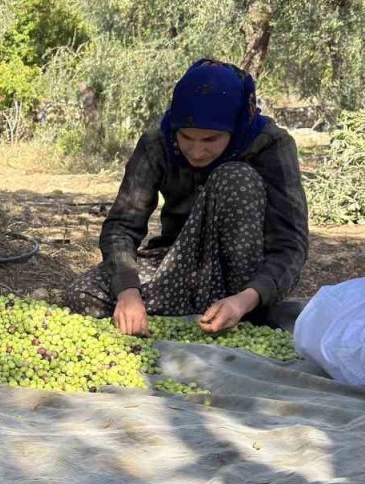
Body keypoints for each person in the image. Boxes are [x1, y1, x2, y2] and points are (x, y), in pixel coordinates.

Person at [65, 58, 309, 336]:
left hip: (245, 280)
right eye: (186, 137)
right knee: (83, 294)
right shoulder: (158, 142)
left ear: (236, 126)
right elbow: (121, 226)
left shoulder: (270, 144)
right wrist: (128, 293)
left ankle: (244, 314)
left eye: (210, 140)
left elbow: (291, 244)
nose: (196, 151)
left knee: (235, 178)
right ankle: (200, 311)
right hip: (177, 263)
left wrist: (245, 299)